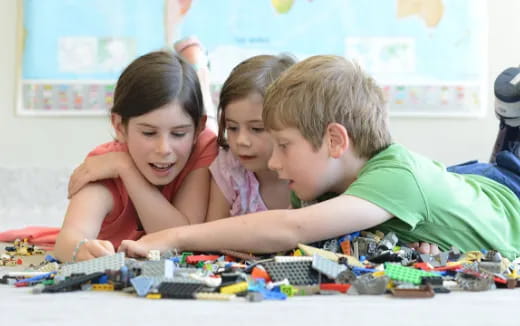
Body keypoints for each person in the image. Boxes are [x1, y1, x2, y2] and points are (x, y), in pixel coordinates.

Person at [117, 55, 520, 260]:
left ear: (334, 141)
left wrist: (173, 236)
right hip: (454, 188)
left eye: (284, 146)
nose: (273, 163)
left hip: (505, 194)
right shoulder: (320, 187)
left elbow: (290, 228)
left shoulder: (396, 178)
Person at [54, 50, 217, 262]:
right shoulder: (104, 163)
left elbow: (180, 236)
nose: (163, 148)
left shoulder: (203, 147)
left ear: (197, 129)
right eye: (149, 133)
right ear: (119, 126)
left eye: (178, 133)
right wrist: (81, 250)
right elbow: (67, 241)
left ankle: (199, 63)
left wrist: (127, 169)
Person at [207, 54, 296, 220]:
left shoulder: (309, 171)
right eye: (232, 127)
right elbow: (212, 233)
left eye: (256, 129)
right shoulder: (229, 168)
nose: (241, 140)